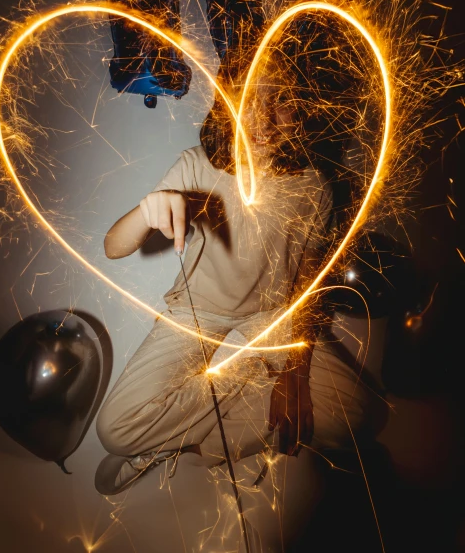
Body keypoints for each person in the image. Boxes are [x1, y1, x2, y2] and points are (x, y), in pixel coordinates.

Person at [95, 42, 382, 496]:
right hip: (195, 317)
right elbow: (113, 247)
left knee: (359, 417)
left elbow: (305, 283)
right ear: (228, 104)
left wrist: (295, 372)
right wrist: (147, 213)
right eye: (251, 99)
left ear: (302, 108)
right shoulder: (197, 166)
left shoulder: (316, 189)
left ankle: (181, 444)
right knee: (114, 430)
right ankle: (223, 406)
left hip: (268, 324)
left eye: (283, 100)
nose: (265, 118)